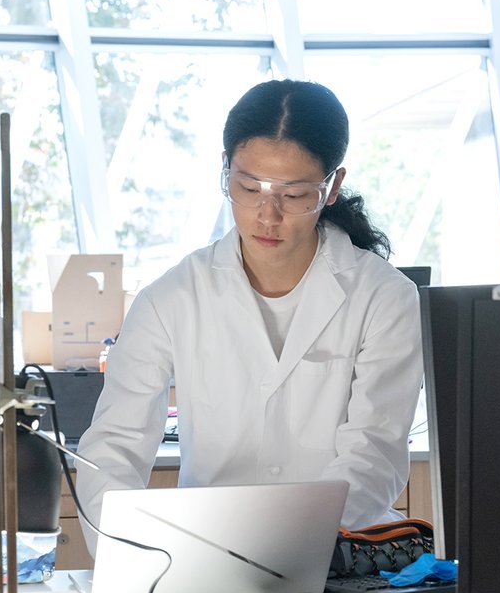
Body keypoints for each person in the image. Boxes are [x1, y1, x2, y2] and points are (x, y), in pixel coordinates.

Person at [75, 79, 423, 553]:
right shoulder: (172, 297)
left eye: (295, 195)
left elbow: (373, 455)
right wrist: (127, 552)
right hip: (205, 554)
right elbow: (113, 446)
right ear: (225, 171)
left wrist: (288, 540)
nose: (268, 214)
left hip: (340, 553)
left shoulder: (384, 298)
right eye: (248, 186)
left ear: (332, 187)